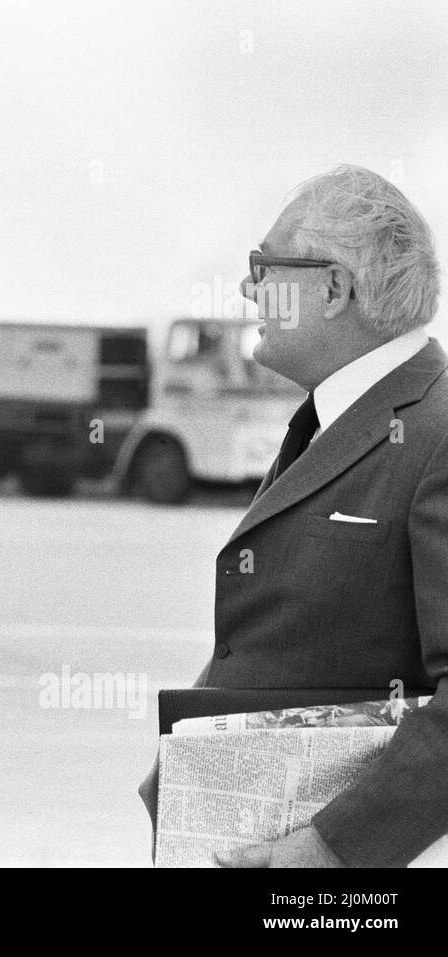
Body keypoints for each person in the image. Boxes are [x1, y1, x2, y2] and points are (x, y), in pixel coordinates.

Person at [139, 165, 445, 867]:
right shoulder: (332, 419)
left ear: (335, 287)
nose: (248, 289)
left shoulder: (438, 431)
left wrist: (335, 849)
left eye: (263, 266)